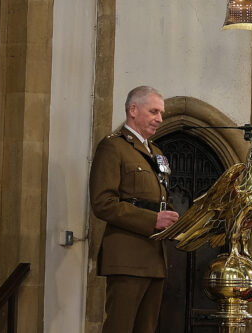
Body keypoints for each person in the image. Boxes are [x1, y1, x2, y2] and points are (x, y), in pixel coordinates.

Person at [89, 86, 179, 333]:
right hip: (127, 256)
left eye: (161, 113)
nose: (160, 118)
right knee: (120, 327)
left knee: (146, 328)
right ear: (133, 110)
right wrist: (154, 220)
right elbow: (103, 203)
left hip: (155, 256)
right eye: (154, 111)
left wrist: (179, 223)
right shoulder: (113, 147)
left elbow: (161, 200)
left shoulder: (156, 153)